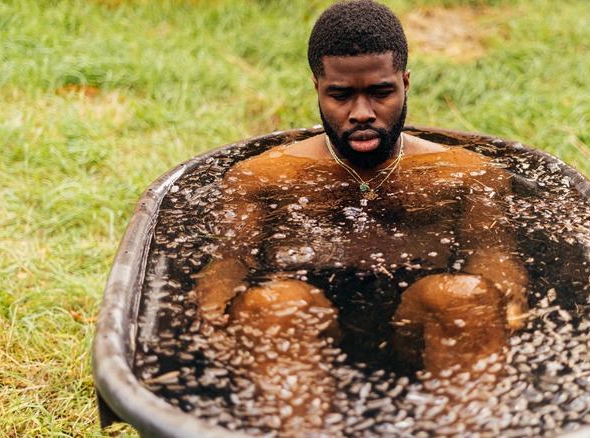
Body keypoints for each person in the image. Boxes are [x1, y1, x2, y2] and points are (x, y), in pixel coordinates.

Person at [195, 0, 528, 431]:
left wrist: (503, 304)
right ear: (316, 87)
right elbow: (228, 262)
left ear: (405, 83)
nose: (362, 113)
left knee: (463, 296)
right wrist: (215, 314)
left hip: (422, 331)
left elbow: (493, 254)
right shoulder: (264, 178)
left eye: (381, 92)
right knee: (276, 304)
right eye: (340, 95)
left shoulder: (463, 174)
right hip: (301, 339)